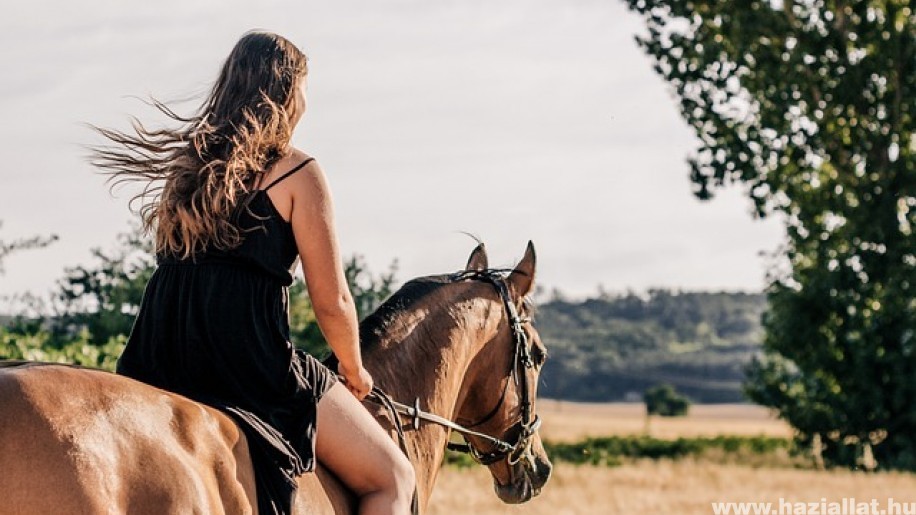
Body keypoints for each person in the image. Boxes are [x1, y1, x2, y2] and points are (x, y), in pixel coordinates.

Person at [92, 30, 416, 514]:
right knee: (393, 477)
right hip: (248, 364)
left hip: (159, 357)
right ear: (287, 89)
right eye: (305, 85)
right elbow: (332, 302)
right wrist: (353, 368)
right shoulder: (295, 172)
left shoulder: (186, 169)